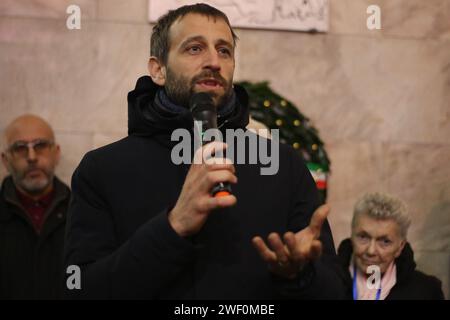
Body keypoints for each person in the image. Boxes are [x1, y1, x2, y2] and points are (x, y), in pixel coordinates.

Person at [64, 3, 345, 299]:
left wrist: (299, 275)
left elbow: (336, 293)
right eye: (195, 48)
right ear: (158, 70)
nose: (214, 61)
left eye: (224, 50)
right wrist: (173, 226)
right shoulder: (103, 169)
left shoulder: (282, 165)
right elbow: (80, 288)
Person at [0, 114, 70, 299]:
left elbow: (83, 278)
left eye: (40, 145)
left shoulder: (80, 212)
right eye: (20, 148)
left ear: (56, 153)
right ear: (5, 159)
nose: (31, 157)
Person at [337, 192, 444, 300]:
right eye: (363, 237)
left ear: (400, 247)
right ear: (351, 235)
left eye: (385, 241)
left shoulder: (427, 292)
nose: (371, 251)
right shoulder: (326, 282)